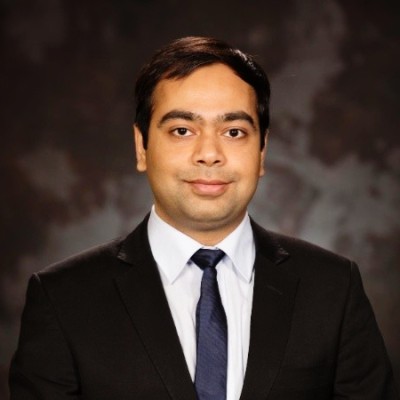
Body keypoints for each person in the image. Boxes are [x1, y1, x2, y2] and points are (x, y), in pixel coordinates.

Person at [9, 36, 398, 400]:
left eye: (234, 132)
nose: (209, 154)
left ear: (262, 152)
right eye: (182, 130)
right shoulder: (63, 298)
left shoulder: (333, 288)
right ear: (142, 147)